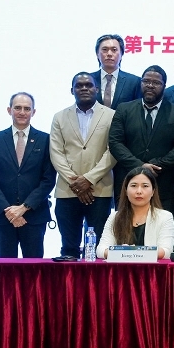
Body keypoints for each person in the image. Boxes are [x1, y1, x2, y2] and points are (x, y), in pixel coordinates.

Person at [107, 66, 174, 214]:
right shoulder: (124, 109)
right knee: (127, 227)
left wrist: (157, 165)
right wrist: (139, 166)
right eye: (146, 81)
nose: (150, 85)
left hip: (164, 185)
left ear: (164, 86)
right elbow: (115, 143)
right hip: (128, 183)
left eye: (156, 82)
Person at [48, 73, 116, 259]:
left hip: (99, 190)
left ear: (97, 89)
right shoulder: (59, 117)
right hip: (68, 190)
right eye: (79, 85)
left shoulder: (111, 115)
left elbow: (113, 151)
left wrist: (89, 179)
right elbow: (56, 153)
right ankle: (68, 279)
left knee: (99, 249)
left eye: (88, 85)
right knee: (68, 248)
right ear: (72, 90)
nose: (84, 88)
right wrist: (76, 182)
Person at [0, 92, 57, 258]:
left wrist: (24, 208)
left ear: (33, 112)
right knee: (4, 270)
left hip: (34, 217)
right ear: (9, 110)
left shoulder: (46, 140)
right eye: (17, 108)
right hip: (3, 217)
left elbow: (48, 180)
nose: (22, 112)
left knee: (34, 270)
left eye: (27, 108)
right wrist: (9, 212)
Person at [97, 167, 174, 259]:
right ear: (126, 191)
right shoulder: (115, 217)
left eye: (145, 186)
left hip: (152, 268)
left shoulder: (165, 217)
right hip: (122, 267)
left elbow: (166, 252)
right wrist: (120, 251)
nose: (139, 191)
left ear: (153, 191)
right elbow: (100, 250)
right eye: (134, 186)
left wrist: (131, 251)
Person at [92, 34, 141, 109]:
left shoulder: (134, 82)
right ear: (97, 54)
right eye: (105, 49)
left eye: (114, 50)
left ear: (121, 54)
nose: (109, 54)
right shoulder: (89, 80)